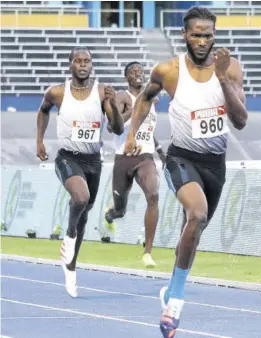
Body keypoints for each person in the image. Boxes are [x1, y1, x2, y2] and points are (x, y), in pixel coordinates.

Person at [123, 7, 248, 337]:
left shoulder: (231, 67)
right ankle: (176, 300)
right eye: (196, 34)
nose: (203, 41)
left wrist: (222, 78)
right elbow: (145, 99)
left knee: (190, 236)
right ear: (184, 35)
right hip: (181, 158)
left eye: (208, 35)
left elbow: (240, 120)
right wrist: (133, 134)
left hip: (215, 166)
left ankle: (169, 288)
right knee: (197, 212)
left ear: (215, 35)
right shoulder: (169, 71)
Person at [36, 46, 124, 298]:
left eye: (87, 61)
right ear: (70, 65)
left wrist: (114, 104)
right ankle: (69, 235)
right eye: (78, 61)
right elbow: (43, 110)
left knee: (84, 215)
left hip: (93, 161)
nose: (83, 65)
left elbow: (117, 129)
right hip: (67, 158)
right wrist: (39, 140)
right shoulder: (57, 93)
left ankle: (71, 268)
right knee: (80, 198)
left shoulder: (101, 92)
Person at [105, 61, 166, 268]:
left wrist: (160, 151)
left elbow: (147, 130)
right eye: (133, 71)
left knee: (153, 194)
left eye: (140, 71)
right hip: (124, 156)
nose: (137, 74)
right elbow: (115, 128)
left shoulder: (149, 99)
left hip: (145, 156)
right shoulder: (123, 97)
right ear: (126, 77)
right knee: (120, 210)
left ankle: (147, 252)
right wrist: (136, 109)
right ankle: (111, 213)